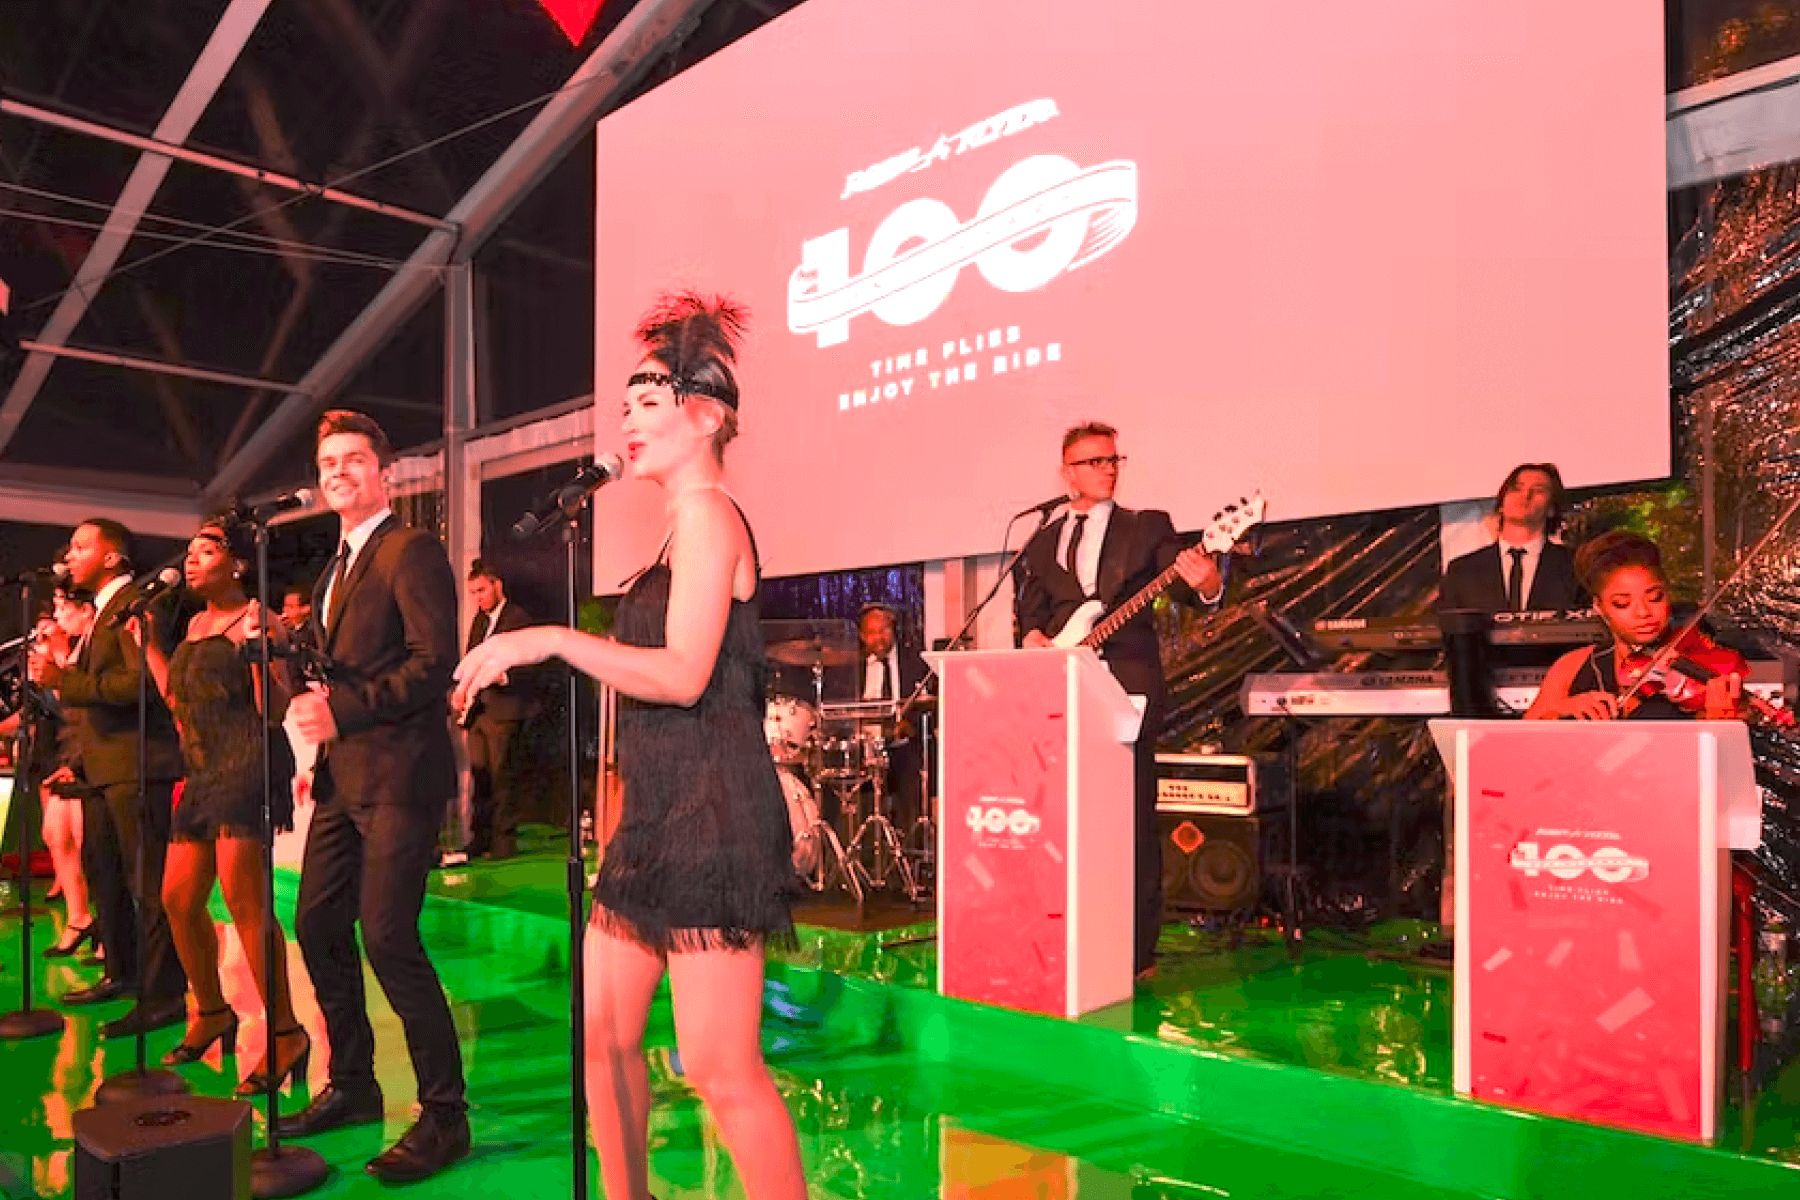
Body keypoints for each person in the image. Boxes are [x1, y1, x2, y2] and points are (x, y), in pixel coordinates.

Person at [455, 293, 807, 1200]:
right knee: (603, 1032)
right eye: (623, 408)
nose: (625, 424)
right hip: (655, 814)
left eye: (645, 405)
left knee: (718, 1068)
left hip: (714, 813)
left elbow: (685, 674)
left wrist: (551, 640)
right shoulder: (667, 530)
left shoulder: (709, 515)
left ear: (707, 416)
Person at [277, 410, 469, 1184]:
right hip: (340, 778)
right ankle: (355, 1083)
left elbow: (434, 662)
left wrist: (344, 712)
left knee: (388, 937)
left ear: (383, 472)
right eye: (328, 462)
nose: (338, 472)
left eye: (353, 459)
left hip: (397, 777)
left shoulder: (410, 548)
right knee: (317, 921)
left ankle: (445, 1116)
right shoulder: (336, 565)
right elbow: (345, 668)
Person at [1013, 422, 1222, 980]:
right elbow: (1030, 611)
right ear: (1067, 472)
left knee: (1129, 814)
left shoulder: (1147, 526)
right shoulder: (1039, 537)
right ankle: (1061, 929)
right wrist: (1032, 638)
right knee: (1059, 814)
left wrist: (1206, 584)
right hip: (1060, 683)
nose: (1108, 468)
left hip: (1126, 682)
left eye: (1112, 459)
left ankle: (1136, 953)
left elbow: (1182, 583)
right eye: (1094, 461)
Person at [127, 513, 305, 1090]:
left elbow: (275, 708)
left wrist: (259, 651)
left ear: (235, 563)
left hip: (250, 760)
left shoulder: (259, 619)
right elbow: (178, 699)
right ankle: (210, 1011)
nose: (190, 560)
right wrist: (151, 646)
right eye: (188, 552)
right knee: (177, 899)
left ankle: (285, 1033)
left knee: (245, 902)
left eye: (205, 551)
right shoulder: (196, 623)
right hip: (202, 769)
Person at [30, 518, 187, 1034]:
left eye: (80, 547)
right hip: (102, 767)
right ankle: (123, 973)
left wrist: (65, 679)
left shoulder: (140, 604)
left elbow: (139, 682)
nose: (69, 556)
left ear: (114, 558)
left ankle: (164, 996)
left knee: (148, 882)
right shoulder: (102, 611)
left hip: (136, 762)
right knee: (107, 876)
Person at [1525, 531, 1749, 722]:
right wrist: (1560, 711)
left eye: (1655, 598)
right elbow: (1519, 745)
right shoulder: (1572, 667)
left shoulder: (1699, 666)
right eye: (1622, 603)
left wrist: (1720, 724)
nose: (1643, 613)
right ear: (1600, 607)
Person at [37, 588, 98, 960]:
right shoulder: (70, 651)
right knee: (55, 834)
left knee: (89, 842)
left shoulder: (88, 651)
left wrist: (59, 659)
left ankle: (108, 929)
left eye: (64, 607)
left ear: (85, 611)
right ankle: (79, 917)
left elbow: (83, 708)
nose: (58, 616)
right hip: (67, 753)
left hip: (89, 757)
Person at [461, 559, 535, 860]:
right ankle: (480, 838)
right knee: (480, 778)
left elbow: (530, 664)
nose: (477, 598)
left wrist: (502, 677)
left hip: (505, 709)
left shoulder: (518, 619)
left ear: (497, 585)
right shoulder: (479, 623)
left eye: (481, 590)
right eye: (473, 592)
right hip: (479, 711)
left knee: (504, 776)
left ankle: (504, 843)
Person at [1439, 464, 1584, 614]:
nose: (1526, 495)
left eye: (1539, 490)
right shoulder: (1462, 570)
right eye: (1517, 488)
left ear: (1551, 509)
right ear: (1501, 503)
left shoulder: (1575, 566)